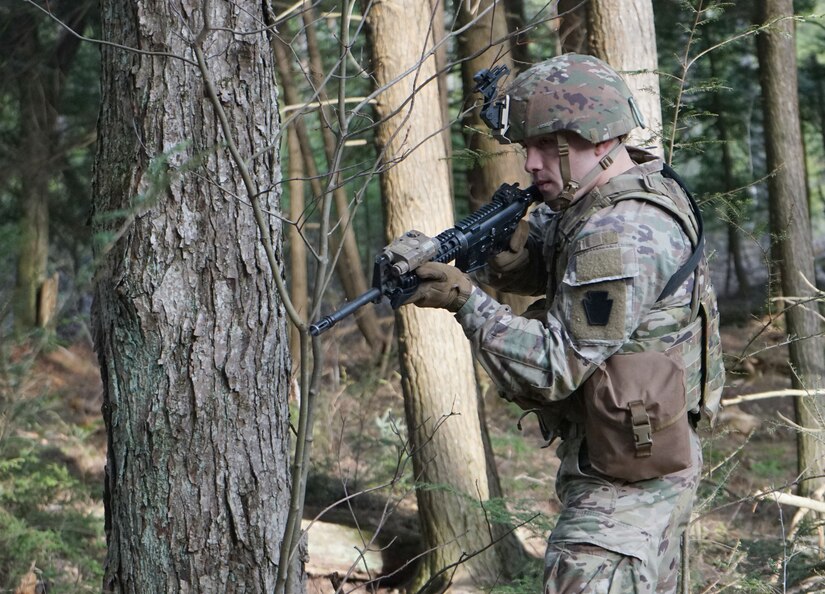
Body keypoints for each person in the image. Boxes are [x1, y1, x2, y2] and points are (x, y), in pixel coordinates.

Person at [408, 53, 725, 593]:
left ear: (598, 140)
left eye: (545, 146)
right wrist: (507, 258)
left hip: (626, 493)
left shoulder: (622, 230)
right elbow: (577, 278)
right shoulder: (616, 192)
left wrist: (466, 300)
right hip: (630, 460)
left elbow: (554, 366)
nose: (529, 164)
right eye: (525, 146)